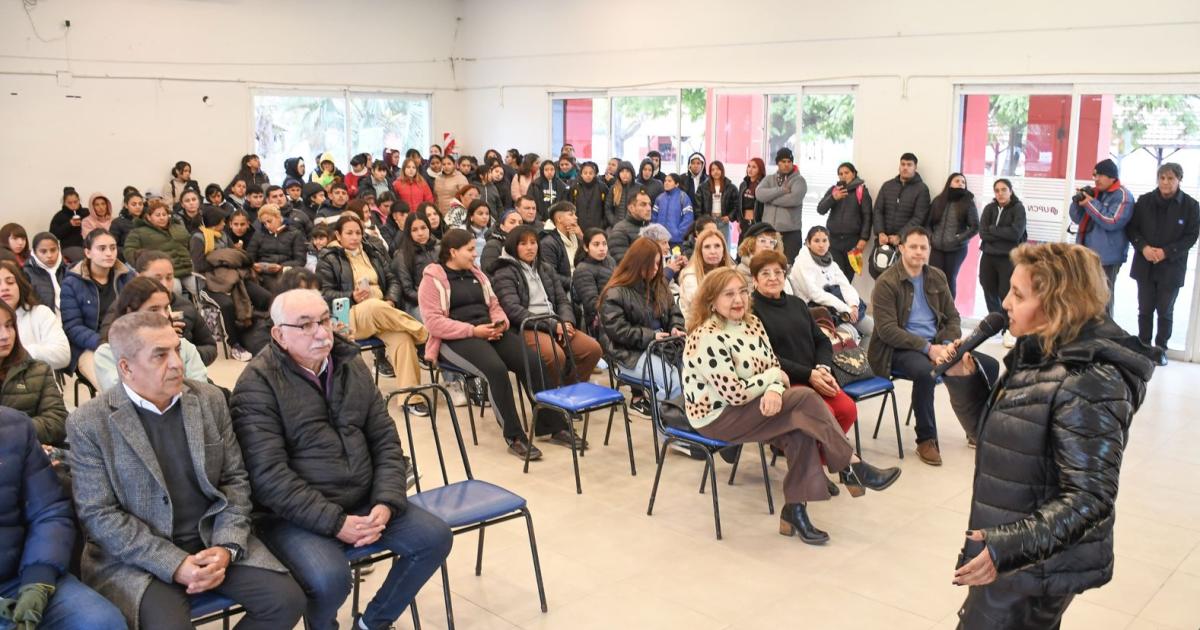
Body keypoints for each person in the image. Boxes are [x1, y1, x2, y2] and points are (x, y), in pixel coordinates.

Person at [943, 243, 1157, 629]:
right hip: (1012, 554)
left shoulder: (1089, 381)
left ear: (1060, 304)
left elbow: (1090, 498)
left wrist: (1006, 549)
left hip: (1035, 567)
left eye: (1019, 295)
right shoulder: (1040, 353)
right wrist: (963, 381)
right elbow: (1003, 441)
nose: (1005, 302)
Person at [227, 290, 452, 630]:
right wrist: (336, 523)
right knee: (331, 579)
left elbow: (385, 440)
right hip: (291, 517)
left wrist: (386, 502)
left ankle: (372, 623)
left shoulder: (350, 363)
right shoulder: (257, 385)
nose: (320, 332)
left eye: (324, 320)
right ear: (279, 334)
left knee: (434, 538)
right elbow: (268, 477)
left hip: (362, 499)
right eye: (304, 325)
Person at [68, 311, 306, 629]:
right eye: (160, 355)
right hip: (138, 557)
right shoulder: (89, 423)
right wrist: (174, 563)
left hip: (210, 537)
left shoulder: (208, 399)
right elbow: (100, 516)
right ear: (125, 367)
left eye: (177, 350)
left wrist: (226, 546)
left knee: (285, 601)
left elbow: (234, 480)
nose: (177, 363)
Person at [683, 268, 896, 544]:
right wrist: (773, 380)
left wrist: (773, 387)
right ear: (712, 301)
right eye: (729, 294)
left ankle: (795, 510)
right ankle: (850, 463)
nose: (738, 300)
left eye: (742, 292)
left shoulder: (752, 324)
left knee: (800, 427)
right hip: (718, 416)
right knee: (804, 399)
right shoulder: (706, 336)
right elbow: (735, 393)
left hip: (753, 405)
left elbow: (774, 366)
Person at [419, 229, 562, 460]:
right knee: (495, 370)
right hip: (455, 338)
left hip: (488, 330)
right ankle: (515, 437)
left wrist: (500, 324)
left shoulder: (478, 274)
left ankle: (554, 425)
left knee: (532, 361)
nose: (475, 254)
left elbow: (495, 305)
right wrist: (473, 331)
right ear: (453, 252)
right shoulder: (432, 279)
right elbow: (435, 323)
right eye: (470, 249)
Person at [0, 404, 126, 630]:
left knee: (102, 622)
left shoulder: (14, 427)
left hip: (20, 573)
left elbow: (48, 510)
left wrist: (37, 581)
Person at [868, 226, 961, 466]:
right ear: (901, 249)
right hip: (897, 349)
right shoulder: (886, 282)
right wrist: (928, 350)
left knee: (985, 365)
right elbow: (888, 331)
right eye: (913, 247)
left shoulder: (937, 276)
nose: (919, 252)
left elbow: (953, 317)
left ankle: (975, 427)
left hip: (938, 344)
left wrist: (948, 346)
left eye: (924, 247)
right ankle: (926, 439)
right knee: (926, 373)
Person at [316, 215, 429, 397]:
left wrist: (391, 299)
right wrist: (351, 296)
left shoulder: (372, 252)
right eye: (349, 233)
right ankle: (425, 334)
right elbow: (324, 294)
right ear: (338, 235)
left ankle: (411, 398)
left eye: (358, 233)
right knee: (373, 306)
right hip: (348, 316)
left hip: (383, 312)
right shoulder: (328, 258)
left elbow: (393, 280)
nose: (355, 237)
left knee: (403, 339)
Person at [492, 225, 602, 395]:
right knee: (555, 355)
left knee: (592, 349)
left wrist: (566, 321)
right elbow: (513, 310)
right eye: (523, 243)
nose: (530, 247)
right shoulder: (504, 272)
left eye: (533, 242)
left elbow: (562, 300)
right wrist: (552, 325)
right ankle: (550, 399)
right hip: (527, 326)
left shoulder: (545, 268)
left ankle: (569, 392)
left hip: (555, 322)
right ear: (513, 246)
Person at [599, 237, 686, 412]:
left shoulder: (659, 284)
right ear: (639, 263)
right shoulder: (615, 292)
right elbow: (618, 331)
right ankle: (670, 429)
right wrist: (651, 336)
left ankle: (689, 426)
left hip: (661, 347)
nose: (656, 269)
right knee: (672, 382)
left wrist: (676, 327)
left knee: (692, 376)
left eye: (658, 264)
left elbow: (674, 312)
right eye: (652, 265)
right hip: (629, 355)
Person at [1126, 162, 1200, 361]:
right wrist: (1144, 248)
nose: (1166, 182)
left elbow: (1191, 236)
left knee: (1165, 310)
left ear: (1179, 180)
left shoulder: (1191, 206)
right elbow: (1132, 229)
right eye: (1162, 178)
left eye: (1171, 178)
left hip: (1171, 265)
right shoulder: (1144, 201)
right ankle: (1143, 345)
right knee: (1145, 308)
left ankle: (1160, 349)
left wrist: (1167, 252)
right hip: (1145, 263)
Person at [91, 277, 209, 390]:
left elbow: (200, 390)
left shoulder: (184, 346)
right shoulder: (107, 354)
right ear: (130, 312)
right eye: (154, 310)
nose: (164, 315)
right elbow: (120, 397)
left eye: (166, 308)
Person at [59, 229, 135, 385]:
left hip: (126, 340)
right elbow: (73, 327)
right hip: (89, 346)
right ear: (87, 252)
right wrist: (102, 343)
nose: (109, 253)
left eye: (113, 248)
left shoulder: (127, 276)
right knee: (110, 385)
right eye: (102, 248)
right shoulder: (72, 282)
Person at [130, 251, 220, 366]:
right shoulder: (128, 307)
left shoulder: (185, 306)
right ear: (139, 277)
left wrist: (183, 353)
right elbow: (110, 349)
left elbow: (210, 347)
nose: (165, 284)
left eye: (169, 277)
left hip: (187, 375)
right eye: (157, 278)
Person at [1069, 159, 1134, 316]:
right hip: (1085, 254)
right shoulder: (1095, 193)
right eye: (1095, 175)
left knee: (1102, 300)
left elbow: (1112, 221)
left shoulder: (1122, 196)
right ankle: (1086, 335)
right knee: (1084, 298)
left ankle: (1106, 337)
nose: (1096, 179)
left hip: (1107, 259)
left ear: (1112, 177)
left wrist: (1090, 204)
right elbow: (1077, 218)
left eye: (1101, 175)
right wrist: (1079, 201)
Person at [0, 299, 68, 447]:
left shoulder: (38, 370)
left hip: (27, 457)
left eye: (9, 325)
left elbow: (58, 421)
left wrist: (13, 431)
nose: (5, 335)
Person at [790, 226, 874, 344]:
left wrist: (853, 305)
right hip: (817, 309)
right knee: (850, 335)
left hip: (839, 307)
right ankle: (849, 362)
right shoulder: (802, 263)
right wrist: (845, 309)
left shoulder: (830, 262)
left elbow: (845, 285)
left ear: (829, 243)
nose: (821, 245)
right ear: (808, 243)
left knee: (873, 329)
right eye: (816, 241)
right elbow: (815, 294)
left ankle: (864, 361)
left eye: (825, 240)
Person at [0, 260, 69, 371]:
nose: (4, 288)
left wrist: (19, 353)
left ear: (19, 285)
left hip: (38, 384)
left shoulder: (40, 313)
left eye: (10, 282)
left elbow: (63, 355)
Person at [978, 179, 1027, 319]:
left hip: (1008, 257)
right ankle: (995, 320)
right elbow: (983, 233)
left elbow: (1015, 234)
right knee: (987, 286)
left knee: (1005, 291)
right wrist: (1000, 235)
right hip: (988, 255)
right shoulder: (989, 208)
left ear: (1010, 191)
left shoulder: (1018, 208)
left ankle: (1007, 324)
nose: (1000, 193)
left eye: (1004, 189)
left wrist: (993, 229)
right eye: (997, 190)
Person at [815, 162, 873, 280]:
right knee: (835, 276)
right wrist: (833, 198)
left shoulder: (861, 191)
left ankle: (845, 299)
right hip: (833, 241)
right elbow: (820, 209)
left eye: (846, 173)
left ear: (854, 174)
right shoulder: (834, 190)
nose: (843, 176)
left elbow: (868, 216)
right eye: (840, 174)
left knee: (847, 278)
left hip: (852, 242)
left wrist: (864, 238)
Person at [928, 173, 979, 298]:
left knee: (949, 279)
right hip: (937, 247)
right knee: (933, 279)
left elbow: (975, 227)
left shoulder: (968, 202)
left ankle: (949, 314)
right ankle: (934, 312)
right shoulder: (938, 200)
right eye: (957, 181)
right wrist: (931, 238)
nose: (961, 183)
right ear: (949, 183)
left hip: (956, 249)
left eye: (963, 182)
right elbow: (928, 223)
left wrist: (958, 239)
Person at [755, 148, 808, 260]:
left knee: (788, 267)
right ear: (778, 162)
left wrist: (769, 199)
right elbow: (759, 194)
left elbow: (793, 199)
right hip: (770, 232)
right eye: (783, 161)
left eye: (789, 161)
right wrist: (781, 190)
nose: (786, 164)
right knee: (768, 264)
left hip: (790, 233)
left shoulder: (799, 181)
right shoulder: (769, 179)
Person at [873, 152, 931, 249]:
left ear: (915, 167)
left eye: (909, 165)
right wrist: (880, 232)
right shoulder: (887, 186)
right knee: (874, 264)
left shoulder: (922, 189)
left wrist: (900, 236)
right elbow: (878, 210)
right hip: (883, 241)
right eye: (903, 164)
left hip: (905, 243)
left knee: (901, 265)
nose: (905, 168)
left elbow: (919, 217)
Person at [124, 198, 193, 279]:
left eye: (164, 215)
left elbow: (191, 245)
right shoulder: (138, 232)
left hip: (188, 270)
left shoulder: (178, 228)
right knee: (176, 289)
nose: (162, 218)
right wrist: (145, 267)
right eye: (158, 215)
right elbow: (129, 251)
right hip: (163, 274)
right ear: (149, 217)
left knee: (200, 287)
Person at [248, 204, 308, 294]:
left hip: (287, 271)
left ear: (278, 217)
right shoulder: (258, 234)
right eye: (264, 223)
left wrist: (281, 267)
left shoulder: (295, 233)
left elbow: (300, 260)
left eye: (269, 221)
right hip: (263, 273)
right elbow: (249, 256)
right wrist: (255, 265)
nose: (267, 226)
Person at [677, 228, 732, 321]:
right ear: (700, 252)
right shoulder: (690, 277)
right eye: (707, 247)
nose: (713, 251)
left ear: (724, 251)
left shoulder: (732, 274)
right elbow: (702, 312)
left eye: (717, 246)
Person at [571, 228, 614, 333]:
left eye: (604, 244)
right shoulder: (582, 270)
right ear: (586, 247)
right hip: (599, 320)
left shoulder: (610, 261)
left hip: (615, 310)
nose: (602, 248)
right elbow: (592, 304)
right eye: (596, 244)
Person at [539, 201, 581, 295]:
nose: (576, 217)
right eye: (571, 214)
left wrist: (581, 236)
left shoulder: (577, 237)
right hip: (564, 291)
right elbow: (551, 275)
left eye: (575, 214)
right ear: (559, 219)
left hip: (581, 284)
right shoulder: (548, 243)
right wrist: (575, 283)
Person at [23, 232, 66, 313]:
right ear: (34, 253)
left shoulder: (68, 271)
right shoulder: (26, 274)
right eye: (43, 251)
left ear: (59, 249)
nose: (49, 255)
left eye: (53, 250)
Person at [607, 189, 653, 261]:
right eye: (643, 204)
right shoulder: (620, 231)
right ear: (631, 208)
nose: (649, 208)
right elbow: (623, 262)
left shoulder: (651, 228)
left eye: (649, 204)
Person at [695, 161, 739, 235]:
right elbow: (697, 207)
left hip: (723, 221)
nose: (715, 172)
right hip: (708, 222)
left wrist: (730, 217)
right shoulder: (702, 187)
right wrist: (702, 221)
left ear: (722, 170)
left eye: (718, 169)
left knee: (724, 245)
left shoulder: (731, 187)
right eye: (713, 170)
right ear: (710, 172)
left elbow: (737, 205)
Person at [652, 174, 694, 248]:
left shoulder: (683, 197)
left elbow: (688, 218)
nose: (666, 183)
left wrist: (679, 233)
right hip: (660, 240)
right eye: (665, 181)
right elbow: (653, 217)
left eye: (669, 181)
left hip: (677, 241)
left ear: (676, 184)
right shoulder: (659, 198)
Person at [49, 187, 87, 262]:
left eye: (75, 202)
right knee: (82, 258)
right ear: (64, 203)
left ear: (79, 201)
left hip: (89, 245)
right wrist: (69, 224)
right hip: (70, 247)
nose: (73, 205)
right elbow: (53, 235)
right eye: (69, 203)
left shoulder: (86, 212)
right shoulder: (59, 216)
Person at [569, 161, 608, 231]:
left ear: (595, 174)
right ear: (581, 174)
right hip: (578, 226)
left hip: (598, 227)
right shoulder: (575, 187)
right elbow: (570, 206)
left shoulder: (602, 187)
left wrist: (603, 224)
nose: (588, 175)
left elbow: (607, 208)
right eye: (585, 173)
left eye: (591, 173)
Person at [110, 189, 145, 255]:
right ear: (126, 205)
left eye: (140, 204)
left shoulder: (147, 220)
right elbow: (112, 246)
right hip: (128, 258)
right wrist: (130, 252)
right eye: (134, 204)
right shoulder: (117, 223)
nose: (138, 207)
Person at [737, 157, 766, 235]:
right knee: (741, 247)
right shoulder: (743, 184)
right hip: (744, 222)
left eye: (754, 167)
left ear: (760, 169)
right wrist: (739, 221)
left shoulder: (763, 185)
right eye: (749, 166)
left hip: (756, 223)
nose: (750, 169)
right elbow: (739, 204)